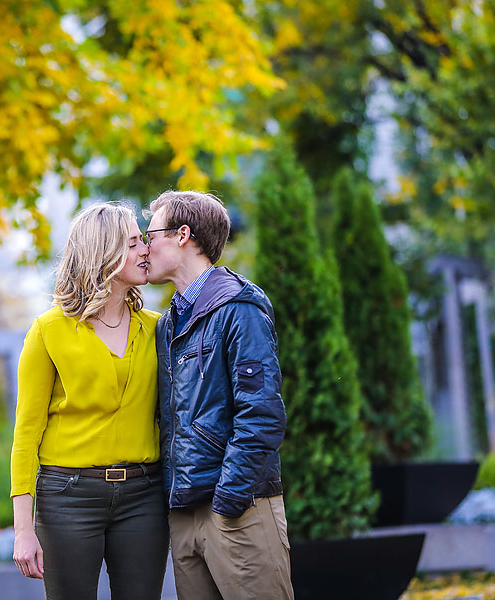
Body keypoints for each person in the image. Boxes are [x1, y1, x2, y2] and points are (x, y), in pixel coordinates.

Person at [10, 202, 168, 600]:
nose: (145, 249)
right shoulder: (48, 330)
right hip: (68, 497)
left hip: (143, 496)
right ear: (106, 252)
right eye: (134, 242)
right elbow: (26, 434)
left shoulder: (158, 328)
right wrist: (23, 530)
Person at [144, 190, 294, 600]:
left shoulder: (239, 306)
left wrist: (228, 498)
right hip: (185, 513)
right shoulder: (167, 324)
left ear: (183, 235)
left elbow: (262, 413)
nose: (144, 245)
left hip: (236, 509)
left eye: (151, 232)